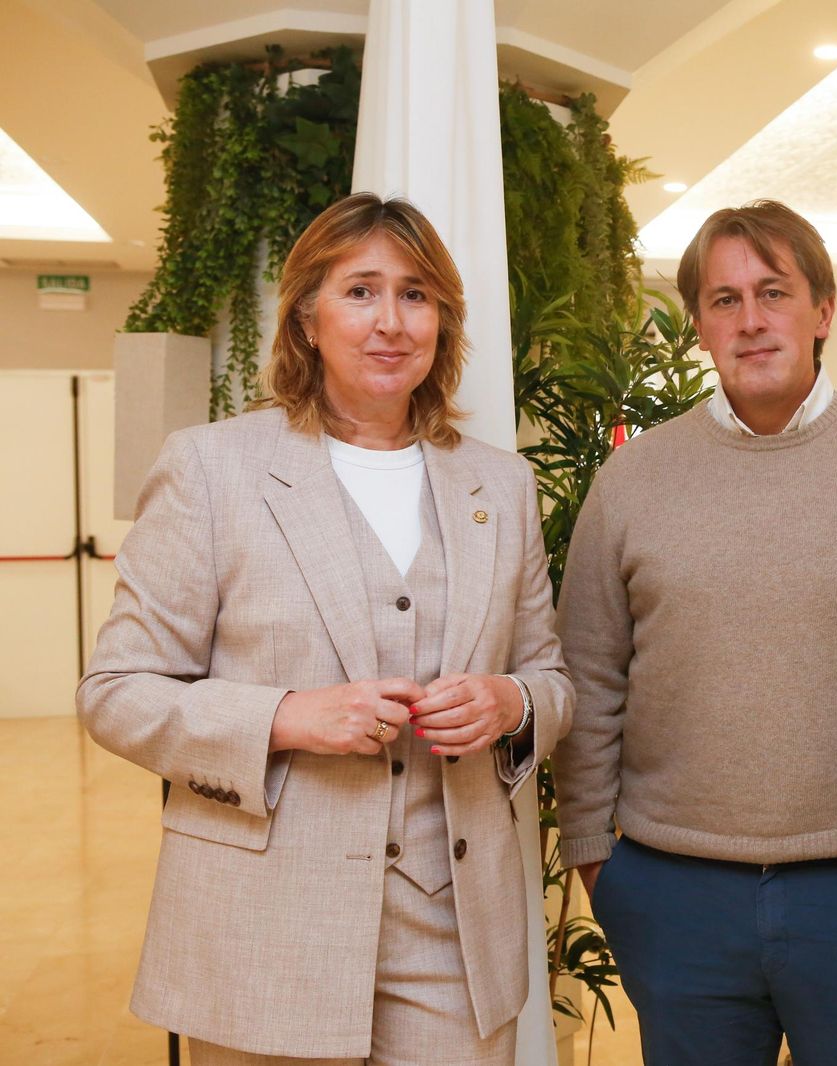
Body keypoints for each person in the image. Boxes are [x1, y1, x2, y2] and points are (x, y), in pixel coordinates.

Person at [78, 193, 573, 1066]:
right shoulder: (211, 470)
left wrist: (510, 702)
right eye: (361, 291)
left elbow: (551, 677)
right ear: (307, 319)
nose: (391, 322)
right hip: (265, 928)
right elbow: (116, 693)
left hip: (453, 938)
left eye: (416, 295)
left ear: (442, 322)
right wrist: (284, 717)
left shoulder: (500, 486)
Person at [553, 199, 837, 1065]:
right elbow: (589, 676)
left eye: (774, 292)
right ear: (700, 326)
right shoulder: (631, 480)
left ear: (823, 312)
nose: (751, 320)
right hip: (675, 893)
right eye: (725, 299)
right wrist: (596, 858)